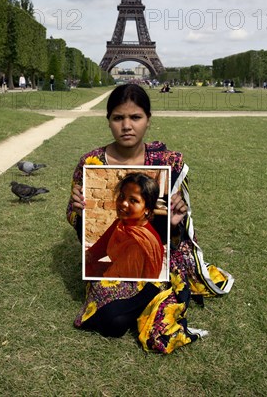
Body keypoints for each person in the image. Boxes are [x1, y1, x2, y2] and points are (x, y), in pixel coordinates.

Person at [66, 83, 234, 354]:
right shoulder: (91, 164)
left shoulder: (169, 163)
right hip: (116, 267)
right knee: (111, 323)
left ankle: (150, 293)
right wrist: (81, 211)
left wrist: (176, 221)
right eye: (118, 118)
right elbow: (85, 238)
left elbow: (175, 241)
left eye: (135, 117)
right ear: (108, 121)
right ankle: (150, 299)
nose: (126, 126)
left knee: (117, 318)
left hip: (158, 260)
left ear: (148, 120)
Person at [85, 172, 164, 279]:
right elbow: (96, 251)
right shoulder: (121, 224)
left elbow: (119, 286)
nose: (123, 203)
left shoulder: (138, 244)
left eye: (133, 200)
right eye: (122, 196)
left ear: (147, 209)